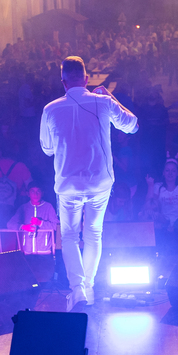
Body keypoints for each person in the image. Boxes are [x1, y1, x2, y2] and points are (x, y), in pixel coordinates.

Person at [40, 56, 139, 309]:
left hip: (68, 184)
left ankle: (78, 290)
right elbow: (133, 126)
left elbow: (47, 149)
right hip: (99, 182)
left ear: (63, 82)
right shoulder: (103, 102)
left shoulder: (50, 109)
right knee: (93, 233)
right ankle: (89, 288)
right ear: (86, 79)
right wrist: (110, 96)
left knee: (70, 236)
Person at [7, 184, 59, 255]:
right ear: (28, 194)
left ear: (42, 193)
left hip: (44, 251)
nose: (35, 194)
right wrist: (23, 227)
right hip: (27, 251)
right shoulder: (23, 208)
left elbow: (57, 226)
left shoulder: (48, 207)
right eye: (32, 192)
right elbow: (10, 224)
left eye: (38, 191)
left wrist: (41, 223)